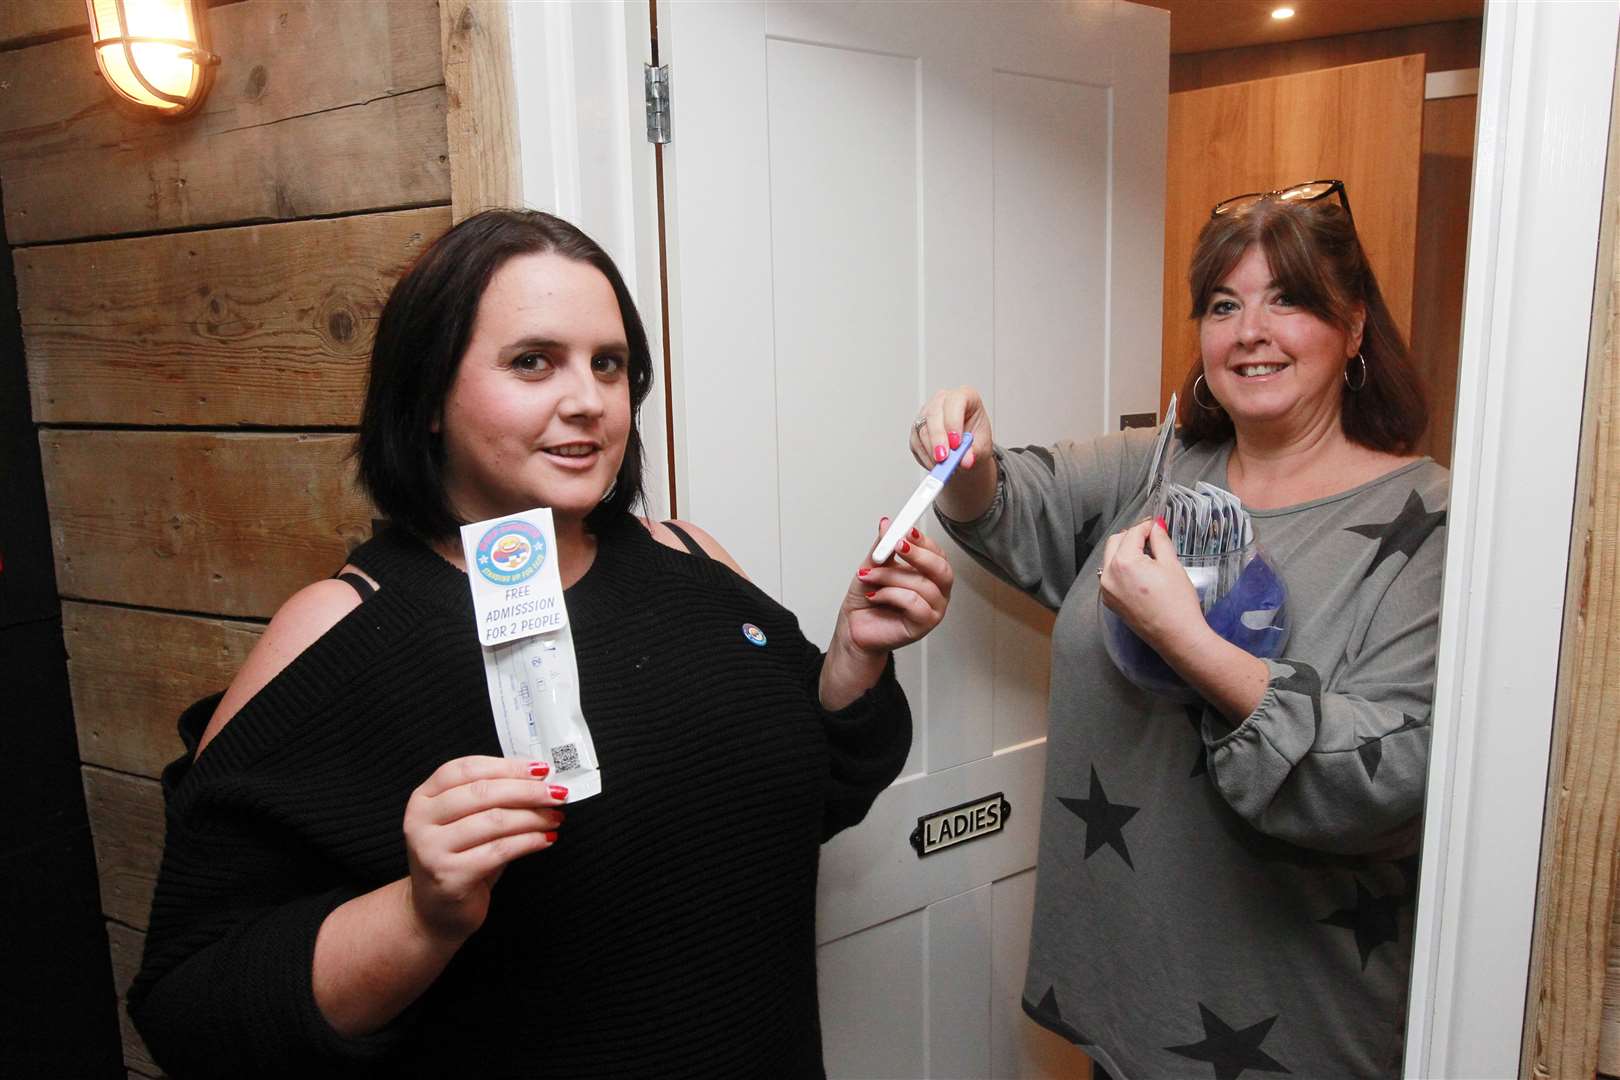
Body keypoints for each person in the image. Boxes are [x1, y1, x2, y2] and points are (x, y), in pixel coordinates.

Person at [128, 209, 954, 1077]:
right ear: (429, 396)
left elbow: (803, 803)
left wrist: (855, 661)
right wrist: (421, 916)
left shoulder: (691, 558)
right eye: (533, 362)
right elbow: (191, 1007)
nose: (587, 399)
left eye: (608, 364)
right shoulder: (339, 628)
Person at [912, 181, 1445, 1078]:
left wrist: (1190, 643)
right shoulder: (1160, 464)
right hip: (1130, 992)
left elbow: (1386, 781)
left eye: (1290, 300)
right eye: (1225, 304)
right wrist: (963, 455)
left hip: (1292, 1018)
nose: (1251, 331)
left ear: (1353, 328)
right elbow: (1010, 504)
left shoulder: (1428, 518)